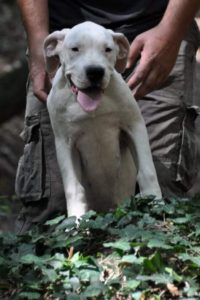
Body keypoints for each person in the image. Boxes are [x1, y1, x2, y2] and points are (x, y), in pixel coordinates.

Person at [15, 0, 200, 233]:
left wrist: (171, 30)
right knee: (50, 209)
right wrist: (37, 39)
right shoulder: (57, 45)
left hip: (159, 26)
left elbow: (135, 126)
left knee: (161, 203)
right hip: (59, 28)